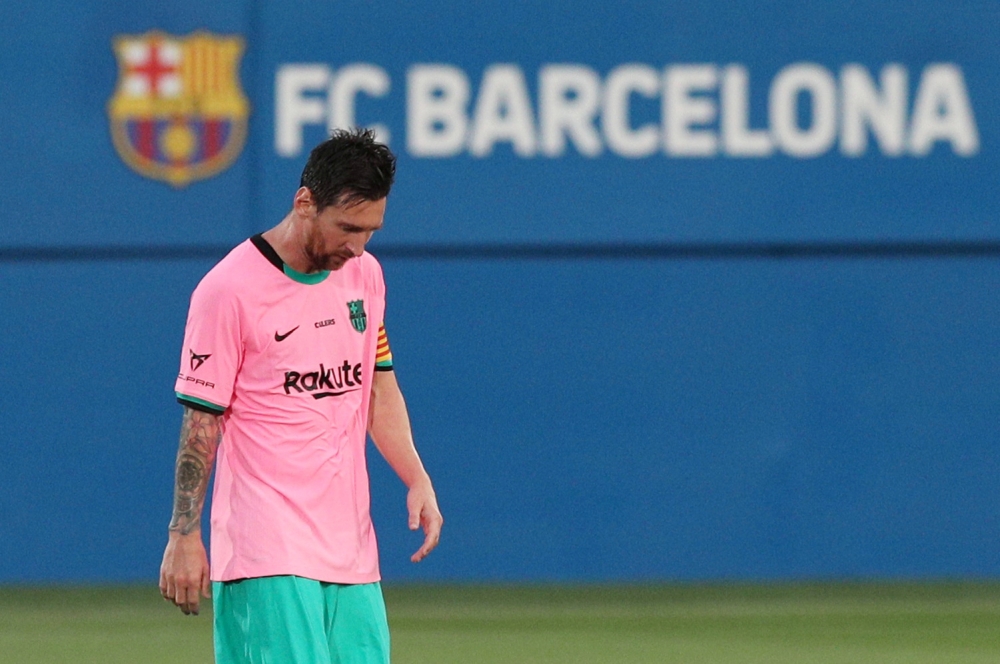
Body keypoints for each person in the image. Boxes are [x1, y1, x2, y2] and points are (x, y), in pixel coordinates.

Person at [159, 128, 443, 664]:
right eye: (348, 228)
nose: (357, 246)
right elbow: (201, 421)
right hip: (266, 550)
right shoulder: (228, 290)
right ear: (305, 202)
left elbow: (377, 385)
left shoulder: (365, 277)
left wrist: (416, 476)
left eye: (371, 231)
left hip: (351, 550)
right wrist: (184, 534)